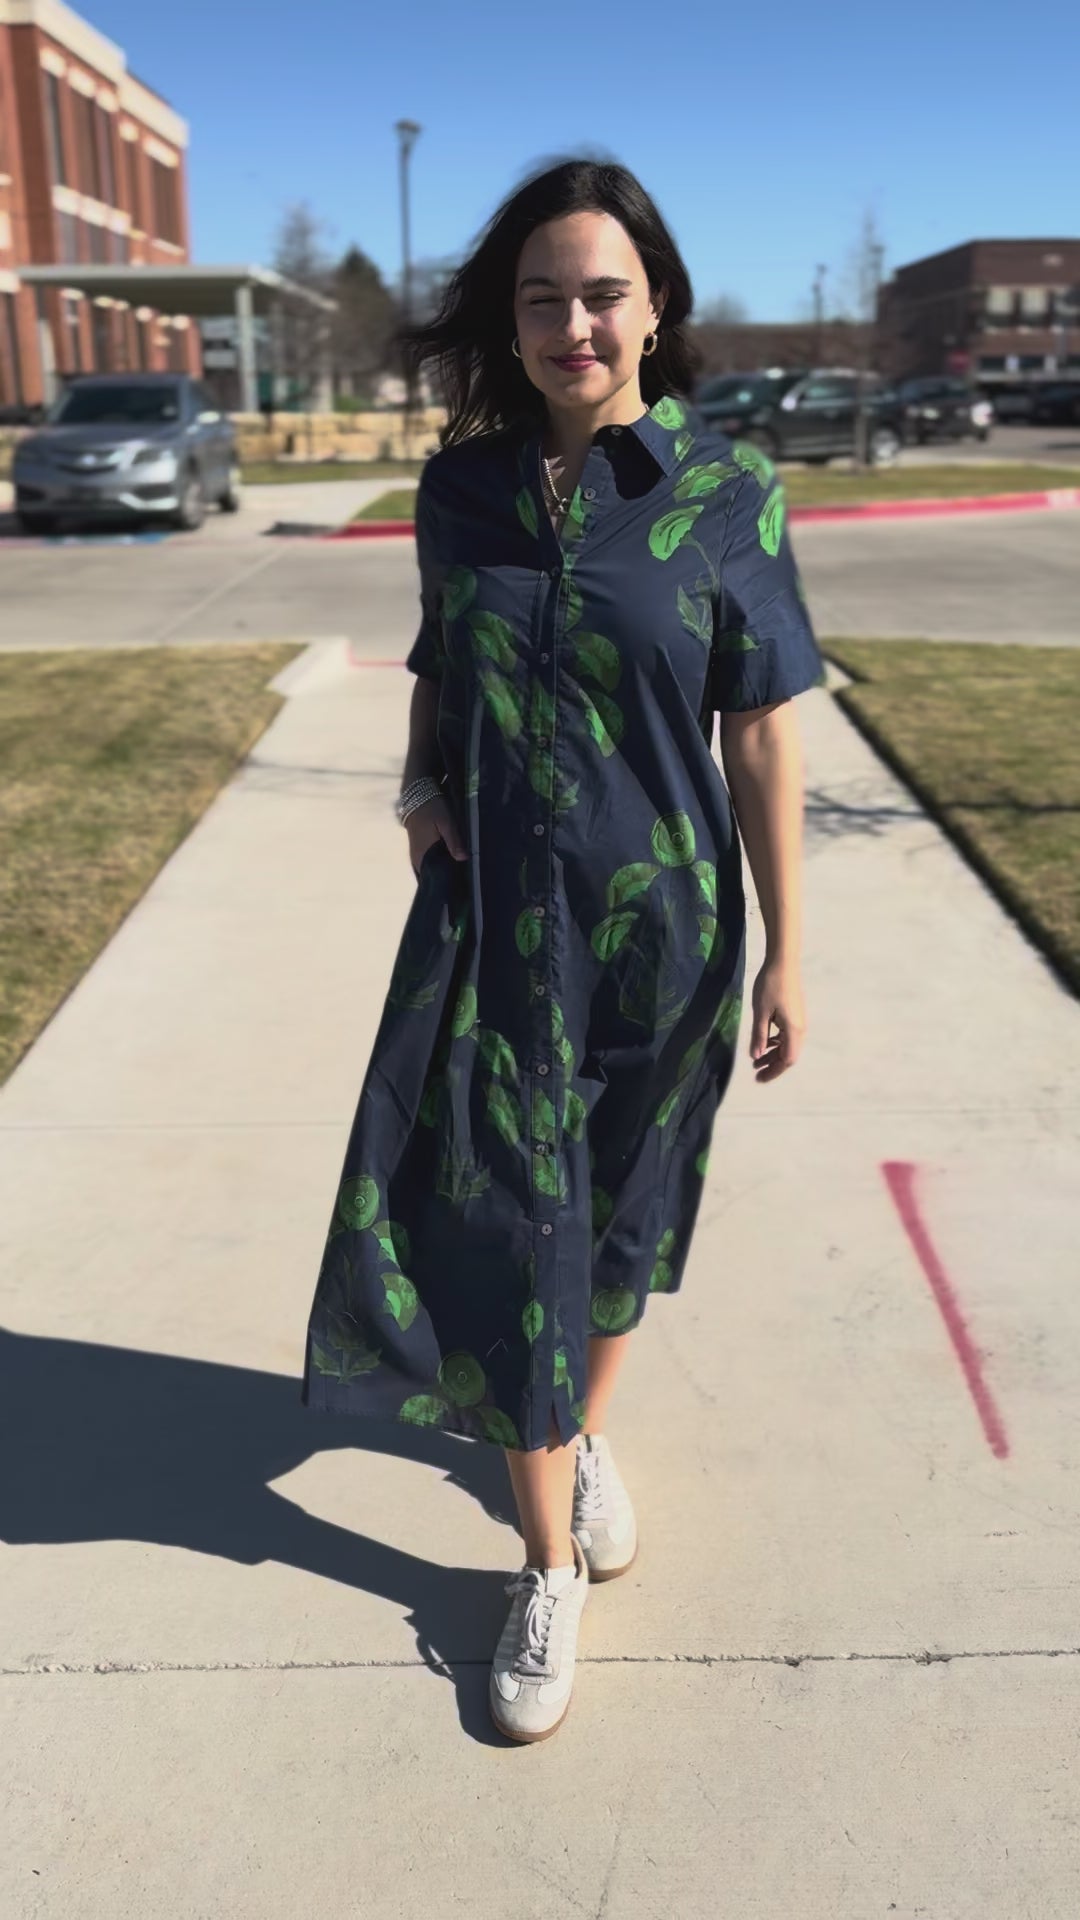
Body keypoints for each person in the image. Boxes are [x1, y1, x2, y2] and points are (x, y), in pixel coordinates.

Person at [301, 157, 824, 1743]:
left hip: (666, 941)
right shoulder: (458, 492)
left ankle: (578, 1437)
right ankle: (543, 1566)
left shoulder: (730, 499)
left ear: (657, 308)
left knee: (615, 1232)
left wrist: (791, 952)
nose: (573, 322)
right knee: (510, 1230)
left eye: (602, 293)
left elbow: (763, 737)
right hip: (492, 937)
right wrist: (417, 789)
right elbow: (438, 664)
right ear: (509, 321)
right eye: (543, 297)